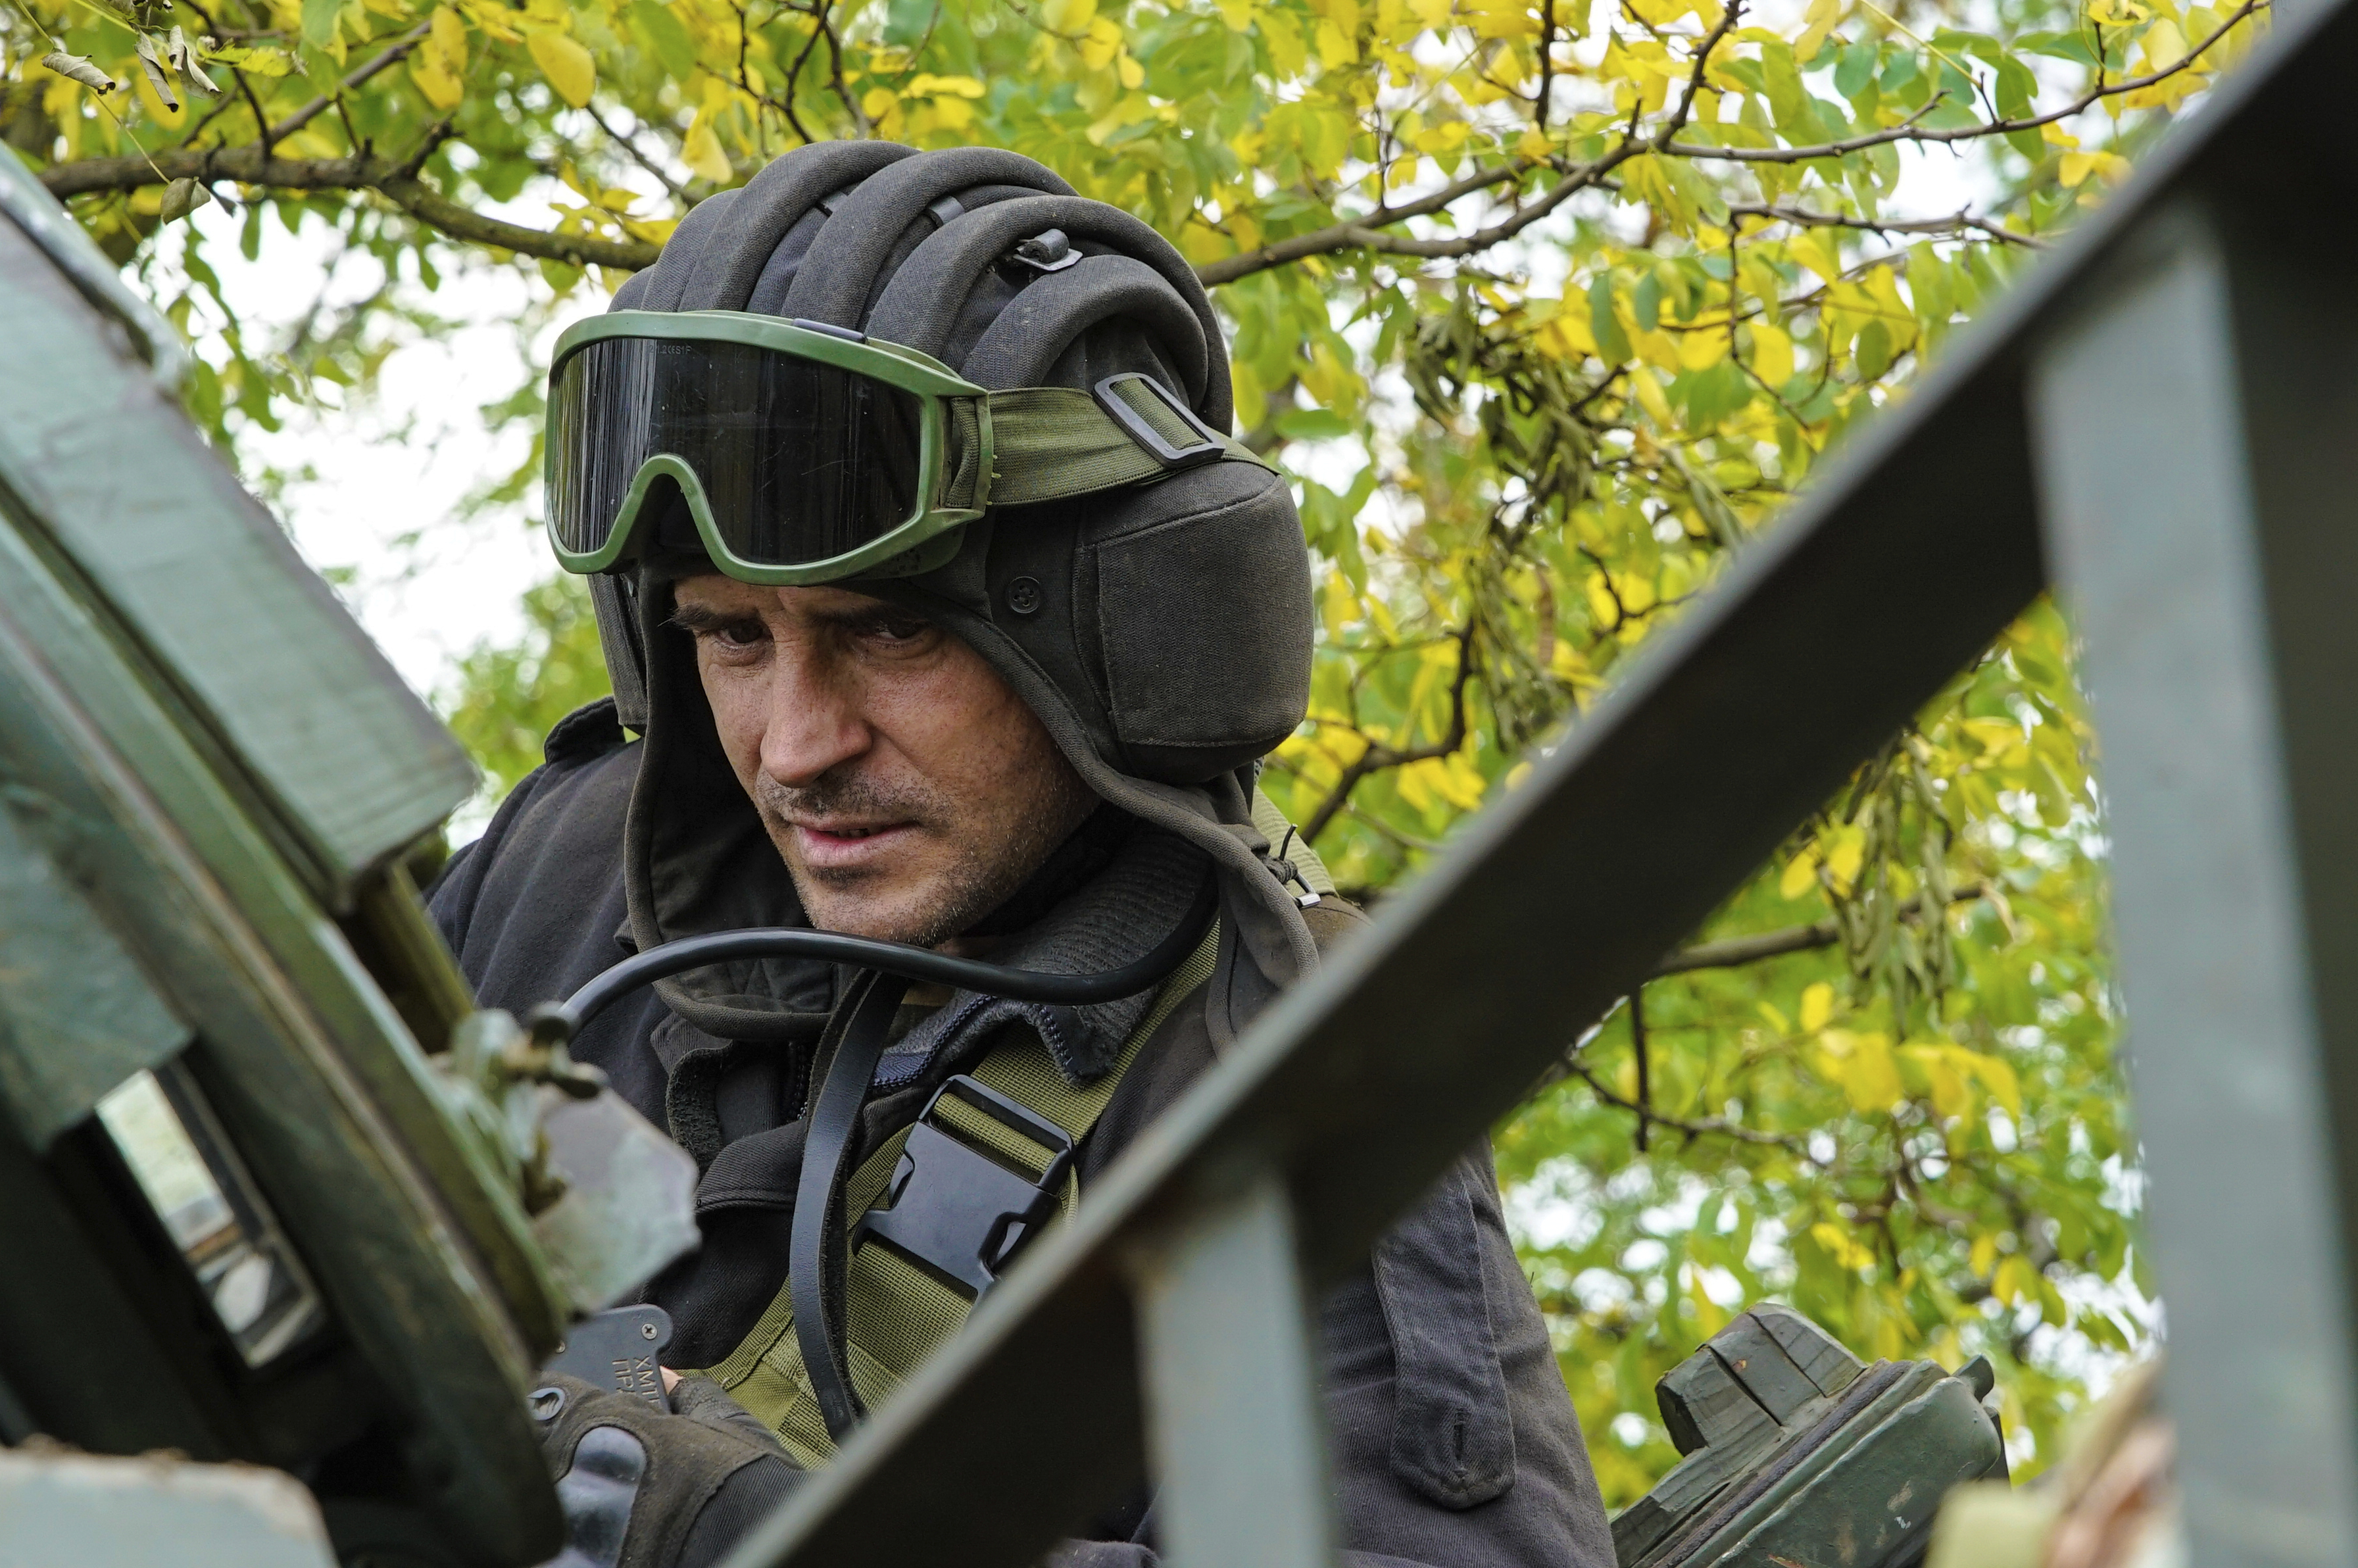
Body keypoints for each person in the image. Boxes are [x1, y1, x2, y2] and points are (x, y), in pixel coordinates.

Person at [430, 140, 1616, 1568]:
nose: (796, 747)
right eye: (731, 635)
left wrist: (767, 1539)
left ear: (1111, 637)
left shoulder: (1266, 1106)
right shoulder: (568, 878)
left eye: (889, 632)